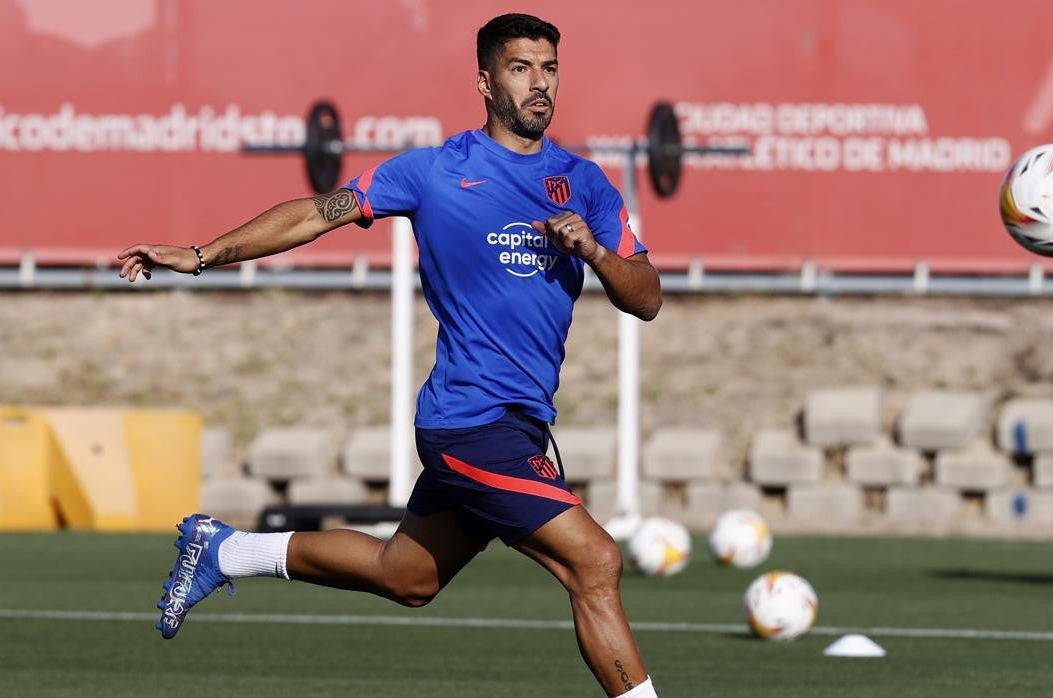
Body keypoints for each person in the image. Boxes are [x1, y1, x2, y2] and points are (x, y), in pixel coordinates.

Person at [118, 13, 662, 698]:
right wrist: (201, 255)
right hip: (469, 422)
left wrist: (597, 253)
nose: (539, 84)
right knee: (596, 562)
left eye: (549, 68)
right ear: (485, 82)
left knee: (406, 576)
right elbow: (318, 212)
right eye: (521, 69)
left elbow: (646, 297)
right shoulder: (434, 172)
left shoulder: (584, 183)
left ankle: (226, 548)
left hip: (520, 424)